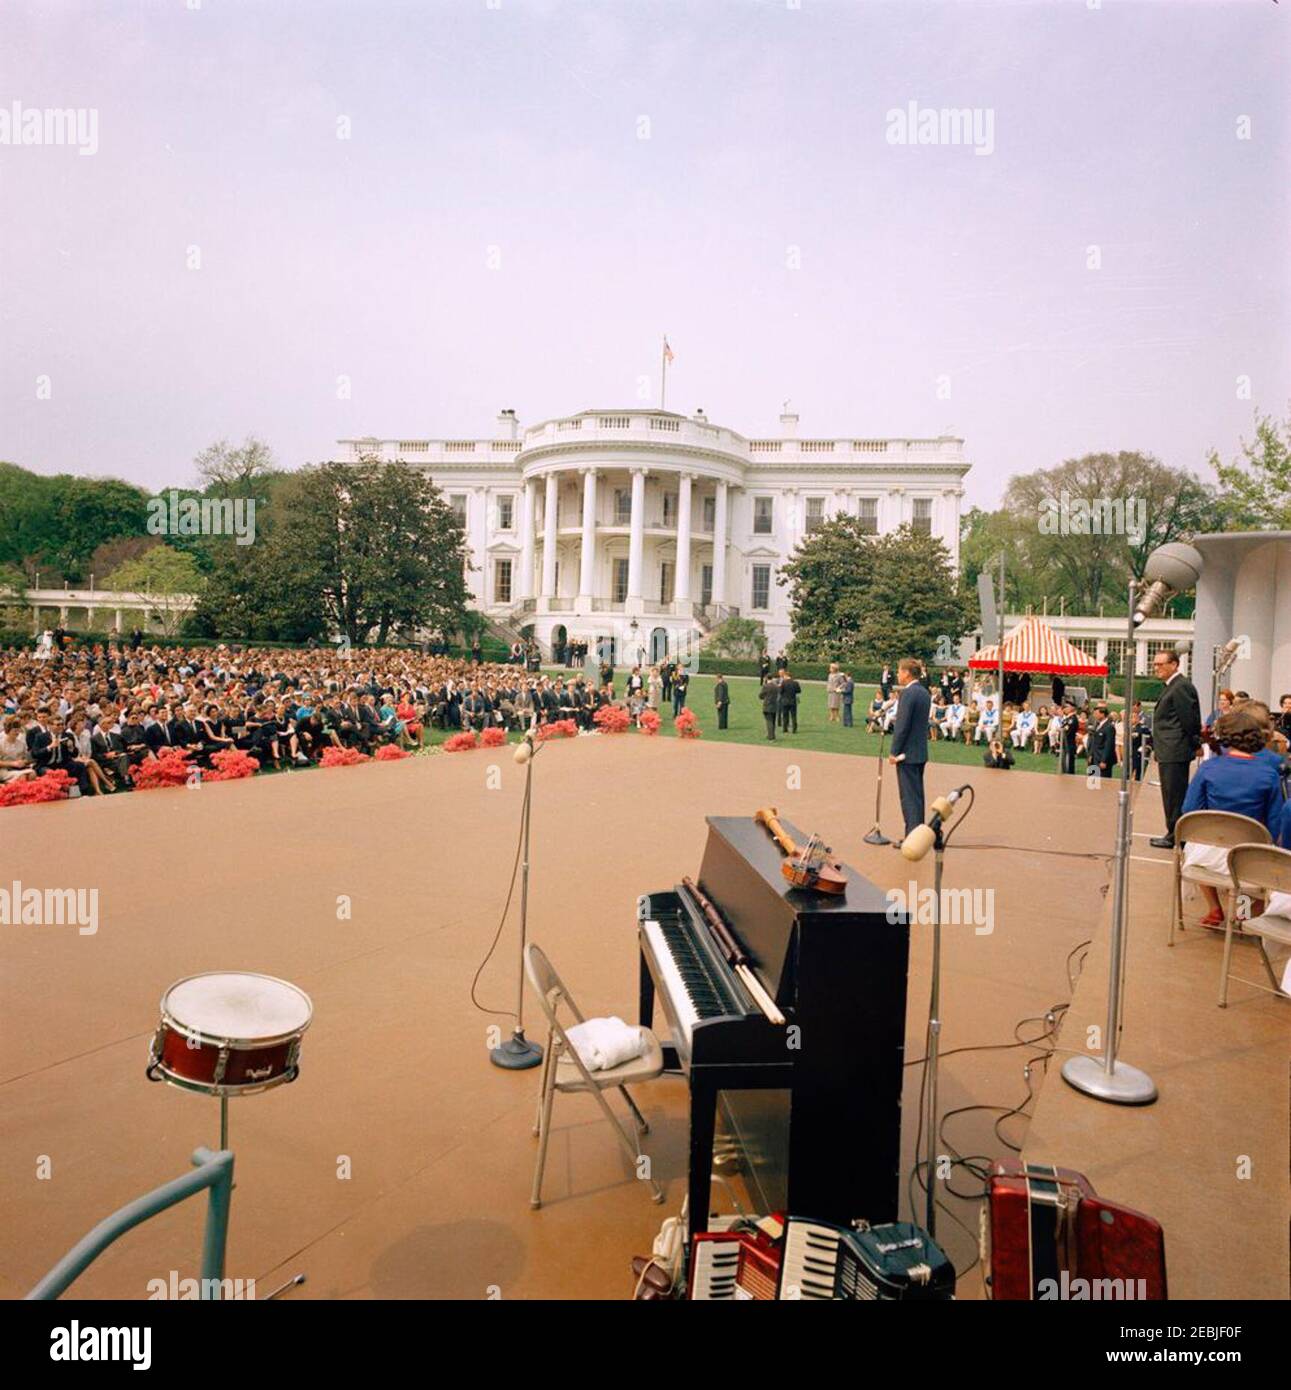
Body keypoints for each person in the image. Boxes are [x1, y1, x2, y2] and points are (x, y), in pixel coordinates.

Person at [1178, 710, 1284, 927]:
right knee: (1257, 869)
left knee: (1195, 843)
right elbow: (1275, 826)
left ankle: (1215, 908)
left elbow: (1189, 810)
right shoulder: (1269, 774)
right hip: (1247, 860)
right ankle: (1243, 913)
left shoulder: (1209, 768)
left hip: (1205, 856)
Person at [1148, 649, 1202, 849]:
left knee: (1174, 795)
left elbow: (1189, 719)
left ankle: (1176, 834)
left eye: (1160, 664)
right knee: (1171, 794)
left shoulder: (1180, 687)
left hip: (1175, 749)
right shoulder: (1174, 686)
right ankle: (1174, 832)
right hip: (1170, 748)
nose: (1156, 668)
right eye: (1154, 664)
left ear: (1174, 664)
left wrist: (1195, 743)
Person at [888, 658, 930, 839]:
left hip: (907, 754)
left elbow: (902, 726)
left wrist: (894, 752)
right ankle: (918, 832)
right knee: (917, 796)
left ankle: (912, 836)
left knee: (909, 798)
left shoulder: (908, 693)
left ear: (906, 673)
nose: (897, 674)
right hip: (919, 751)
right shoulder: (924, 692)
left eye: (899, 671)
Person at [1086, 705, 1117, 781]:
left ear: (1102, 714)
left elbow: (1109, 745)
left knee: (1103, 781)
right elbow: (1094, 741)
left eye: (1096, 714)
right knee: (1093, 782)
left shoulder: (1109, 727)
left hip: (1102, 759)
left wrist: (1104, 760)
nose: (1094, 716)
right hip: (1095, 758)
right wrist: (1090, 754)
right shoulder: (1097, 725)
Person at [778, 669, 800, 734]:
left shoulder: (783, 683)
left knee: (785, 715)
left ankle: (785, 729)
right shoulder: (795, 683)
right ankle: (794, 729)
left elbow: (780, 691)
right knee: (793, 716)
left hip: (785, 701)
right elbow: (799, 691)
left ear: (786, 676)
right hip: (793, 701)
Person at [759, 673, 780, 740]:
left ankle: (770, 736)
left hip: (767, 705)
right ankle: (773, 734)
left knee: (769, 721)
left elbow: (761, 695)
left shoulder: (766, 686)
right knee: (773, 721)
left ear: (766, 678)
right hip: (774, 705)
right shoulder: (776, 686)